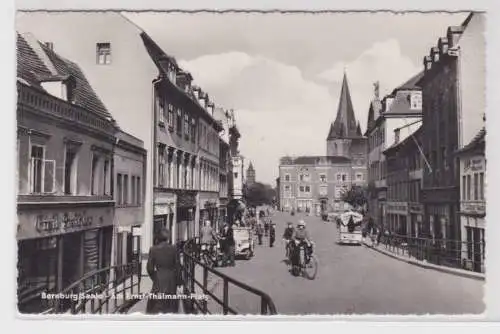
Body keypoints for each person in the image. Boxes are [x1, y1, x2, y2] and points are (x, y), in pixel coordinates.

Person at [146, 229, 181, 314]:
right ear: (168, 238)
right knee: (170, 306)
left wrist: (155, 277)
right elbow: (178, 266)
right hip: (171, 280)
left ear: (158, 238)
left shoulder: (153, 249)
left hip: (158, 279)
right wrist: (178, 280)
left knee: (156, 306)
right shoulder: (174, 249)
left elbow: (149, 268)